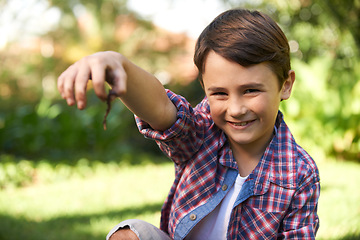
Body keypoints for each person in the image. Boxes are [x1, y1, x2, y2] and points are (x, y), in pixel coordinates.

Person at [58, 8, 320, 240]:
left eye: (251, 90)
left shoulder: (299, 173)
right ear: (205, 88)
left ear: (285, 85)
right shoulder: (202, 132)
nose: (236, 109)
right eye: (219, 93)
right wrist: (117, 64)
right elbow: (161, 109)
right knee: (127, 235)